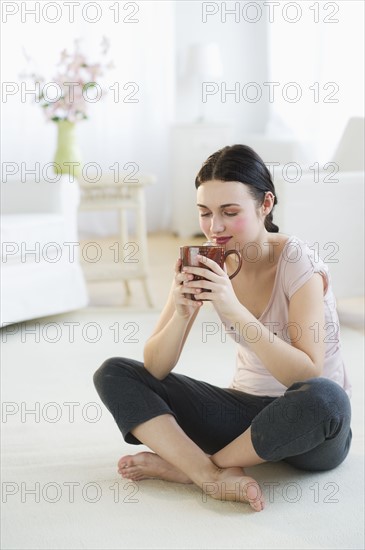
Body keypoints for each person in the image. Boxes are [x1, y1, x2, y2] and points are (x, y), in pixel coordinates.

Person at [93, 144, 352, 512]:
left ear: (265, 205)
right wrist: (182, 314)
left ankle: (191, 469)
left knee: (327, 398)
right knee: (115, 372)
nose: (215, 228)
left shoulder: (298, 263)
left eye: (230, 213)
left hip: (310, 426)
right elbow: (154, 369)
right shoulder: (206, 258)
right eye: (205, 213)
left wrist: (234, 311)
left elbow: (307, 374)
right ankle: (210, 476)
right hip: (244, 417)